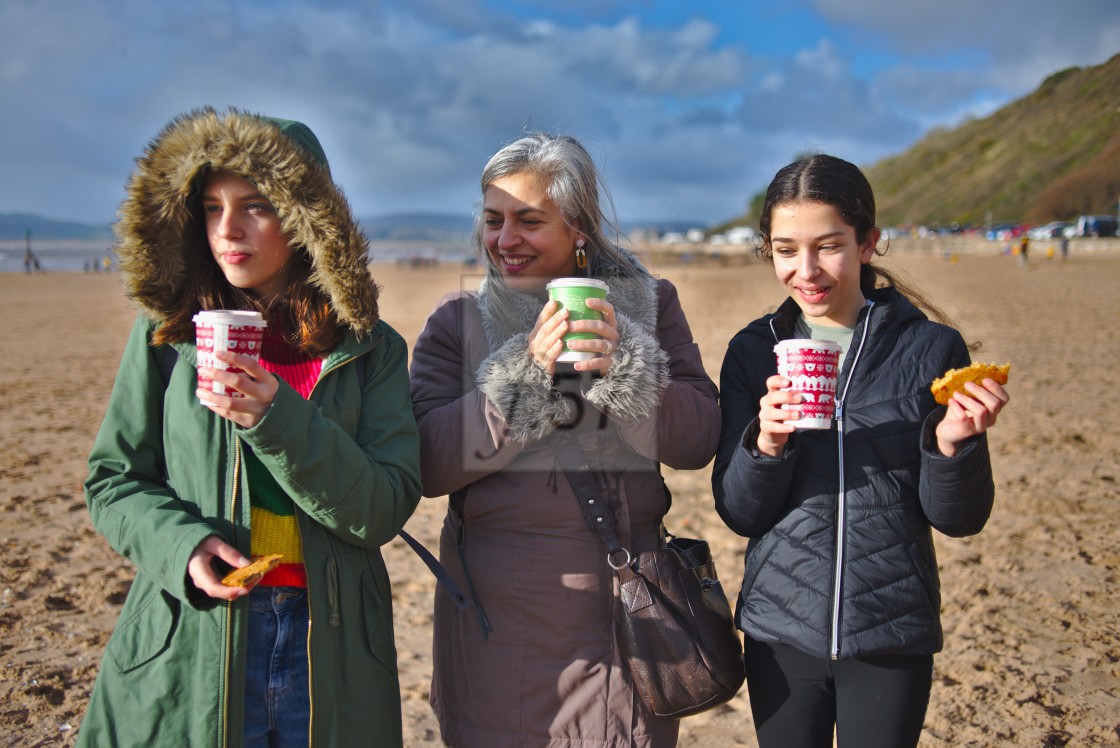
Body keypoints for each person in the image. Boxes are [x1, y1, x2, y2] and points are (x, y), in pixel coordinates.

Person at [80, 108, 422, 747]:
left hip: (329, 646)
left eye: (255, 206)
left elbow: (383, 508)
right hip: (195, 631)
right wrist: (181, 546)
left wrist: (275, 417)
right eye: (211, 207)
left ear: (304, 218)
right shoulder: (166, 336)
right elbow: (113, 480)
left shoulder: (371, 350)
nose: (227, 230)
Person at [410, 133, 720, 747]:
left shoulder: (651, 307)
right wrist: (524, 375)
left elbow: (696, 440)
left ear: (578, 227)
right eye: (494, 221)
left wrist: (626, 361)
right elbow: (428, 463)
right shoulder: (457, 321)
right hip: (493, 622)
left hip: (625, 617)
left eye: (529, 221)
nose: (505, 240)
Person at [713, 154, 1009, 748]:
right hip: (780, 626)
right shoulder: (754, 349)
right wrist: (766, 442)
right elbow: (740, 512)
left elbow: (960, 519)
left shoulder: (930, 348)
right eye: (786, 249)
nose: (807, 270)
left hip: (892, 627)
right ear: (767, 250)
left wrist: (952, 445)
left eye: (829, 246)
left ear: (869, 242)